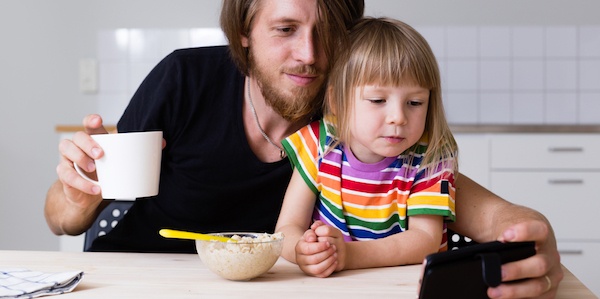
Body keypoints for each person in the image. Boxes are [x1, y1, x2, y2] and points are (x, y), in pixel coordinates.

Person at [44, 0, 562, 298]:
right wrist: (77, 191)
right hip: (139, 283)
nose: (309, 55)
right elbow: (62, 221)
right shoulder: (185, 78)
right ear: (244, 32)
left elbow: (460, 199)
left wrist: (530, 233)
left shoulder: (353, 113)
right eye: (286, 29)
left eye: (327, 33)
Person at [276, 17, 458, 278]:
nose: (398, 117)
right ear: (337, 102)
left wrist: (349, 256)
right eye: (377, 99)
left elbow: (424, 240)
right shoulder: (318, 143)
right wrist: (302, 251)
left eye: (415, 102)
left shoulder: (430, 156)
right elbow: (287, 227)